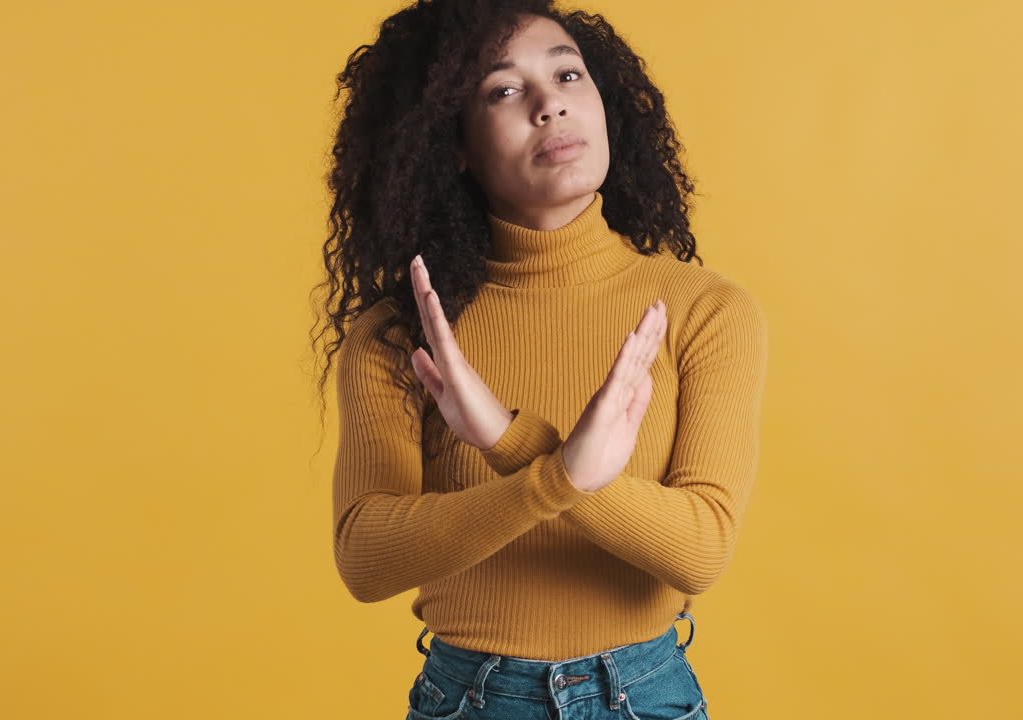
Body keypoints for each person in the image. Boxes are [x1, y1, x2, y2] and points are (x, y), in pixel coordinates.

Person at [313, 1, 769, 717]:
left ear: (605, 102)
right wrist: (557, 479)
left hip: (645, 696)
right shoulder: (403, 335)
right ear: (455, 142)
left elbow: (701, 551)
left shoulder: (705, 310)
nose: (549, 105)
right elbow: (366, 559)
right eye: (503, 89)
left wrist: (508, 439)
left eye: (567, 74)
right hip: (471, 699)